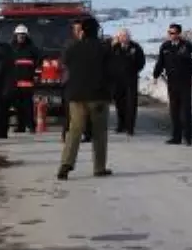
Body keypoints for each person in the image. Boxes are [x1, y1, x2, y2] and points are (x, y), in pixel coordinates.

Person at [57, 17, 114, 180]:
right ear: (97, 30)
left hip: (76, 95)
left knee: (74, 131)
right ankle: (99, 167)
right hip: (98, 96)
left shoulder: (72, 48)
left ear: (82, 31)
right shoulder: (104, 48)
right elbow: (112, 71)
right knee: (99, 133)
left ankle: (66, 164)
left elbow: (65, 64)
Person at [152, 23, 192, 145]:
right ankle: (176, 137)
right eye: (169, 32)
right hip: (171, 82)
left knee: (186, 110)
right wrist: (155, 75)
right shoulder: (165, 46)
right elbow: (160, 62)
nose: (170, 35)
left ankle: (188, 137)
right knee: (174, 110)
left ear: (179, 34)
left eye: (173, 33)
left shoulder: (188, 46)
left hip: (185, 81)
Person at [0, 24, 40, 134]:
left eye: (23, 35)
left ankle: (31, 126)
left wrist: (36, 74)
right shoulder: (10, 48)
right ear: (15, 35)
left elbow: (39, 62)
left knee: (28, 106)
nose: (21, 37)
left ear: (26, 36)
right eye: (19, 35)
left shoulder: (33, 49)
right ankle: (20, 126)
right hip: (14, 82)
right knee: (17, 107)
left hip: (27, 83)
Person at [109, 29, 146, 134]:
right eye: (121, 36)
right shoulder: (114, 48)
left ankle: (130, 127)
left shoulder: (136, 47)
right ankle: (121, 125)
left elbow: (141, 62)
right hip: (117, 81)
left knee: (131, 104)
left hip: (131, 80)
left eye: (126, 36)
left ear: (129, 37)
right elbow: (109, 61)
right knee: (119, 104)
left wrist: (134, 70)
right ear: (119, 37)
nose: (124, 38)